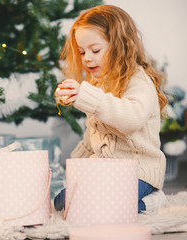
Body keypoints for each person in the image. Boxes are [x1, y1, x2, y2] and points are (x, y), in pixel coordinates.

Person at [54, 4, 168, 213]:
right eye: (82, 52)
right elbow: (93, 139)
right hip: (105, 171)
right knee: (63, 201)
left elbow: (130, 119)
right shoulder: (99, 84)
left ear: (119, 45)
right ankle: (97, 197)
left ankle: (151, 202)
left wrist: (87, 96)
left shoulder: (138, 81)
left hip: (137, 171)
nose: (87, 57)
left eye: (95, 50)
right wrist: (73, 169)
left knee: (104, 207)